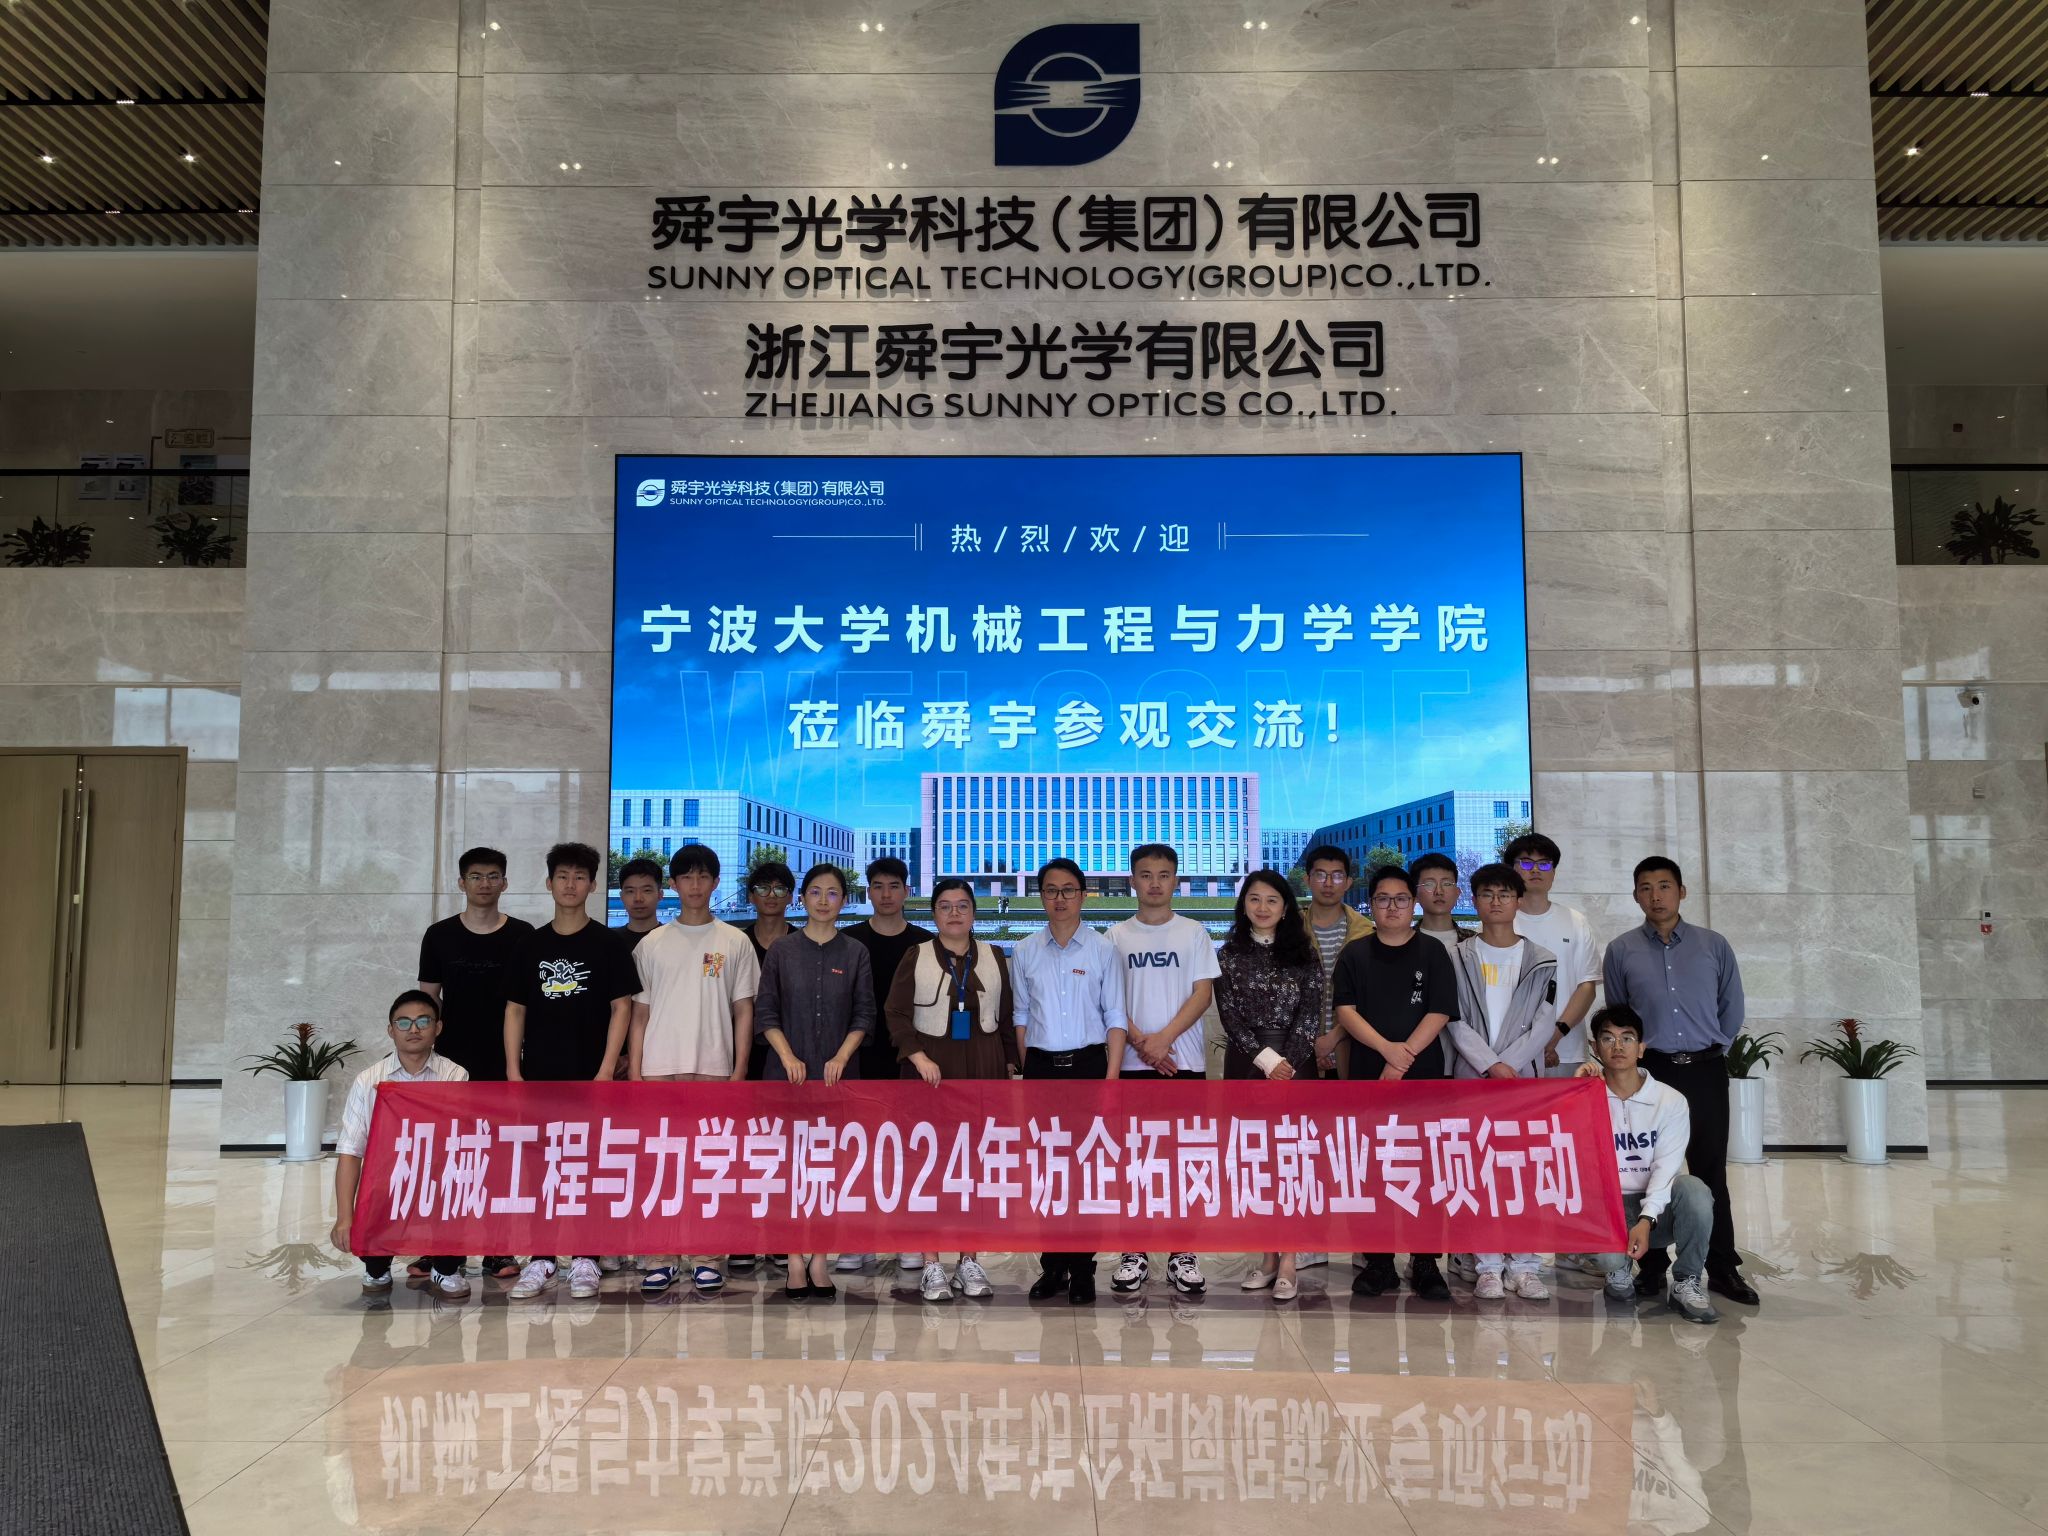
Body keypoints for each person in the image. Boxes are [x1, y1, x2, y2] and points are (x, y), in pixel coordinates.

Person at [1603, 857, 1757, 1307]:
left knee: (1710, 1171)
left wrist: (1713, 1048)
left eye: (1665, 886)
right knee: (1645, 1168)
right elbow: (1621, 1015)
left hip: (1705, 1070)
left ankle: (1722, 1267)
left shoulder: (1713, 945)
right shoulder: (1622, 950)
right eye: (1646, 888)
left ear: (1682, 891)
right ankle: (1651, 1268)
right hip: (1651, 1073)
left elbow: (1732, 1006)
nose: (1656, 896)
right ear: (1636, 896)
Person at [500, 842, 635, 1301]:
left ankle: (586, 1258)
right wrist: (513, 1072)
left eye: (579, 877)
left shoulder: (608, 944)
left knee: (589, 1165)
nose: (571, 884)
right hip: (540, 1076)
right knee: (540, 1167)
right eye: (563, 876)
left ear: (593, 885)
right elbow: (515, 1010)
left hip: (591, 1077)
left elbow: (622, 1008)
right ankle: (540, 1259)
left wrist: (605, 1071)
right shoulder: (529, 945)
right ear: (549, 883)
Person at [629, 844, 760, 1297]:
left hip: (714, 1068)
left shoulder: (734, 941)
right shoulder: (651, 944)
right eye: (686, 877)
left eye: (704, 877)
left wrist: (739, 1070)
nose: (695, 885)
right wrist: (635, 1075)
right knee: (661, 1168)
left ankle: (707, 1257)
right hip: (658, 1070)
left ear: (716, 883)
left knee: (710, 1168)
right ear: (674, 884)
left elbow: (744, 1011)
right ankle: (660, 1258)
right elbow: (639, 1015)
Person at [885, 878, 1021, 1302]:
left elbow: (1006, 1016)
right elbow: (895, 1013)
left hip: (983, 1067)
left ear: (974, 912)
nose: (955, 913)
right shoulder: (917, 955)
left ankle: (969, 1259)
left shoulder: (994, 957)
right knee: (930, 1164)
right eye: (945, 906)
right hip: (930, 1071)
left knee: (974, 1166)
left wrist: (1011, 1066)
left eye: (963, 905)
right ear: (934, 913)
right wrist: (917, 1057)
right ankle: (931, 1262)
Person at [1332, 864, 1456, 1301]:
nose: (1392, 907)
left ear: (1413, 903)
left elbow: (1440, 1010)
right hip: (1369, 1073)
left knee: (1424, 1169)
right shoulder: (1355, 954)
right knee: (1373, 1169)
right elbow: (1345, 1011)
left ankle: (1425, 1262)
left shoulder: (1432, 952)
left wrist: (1402, 1060)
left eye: (1401, 899)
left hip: (1422, 1076)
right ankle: (1379, 1262)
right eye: (1382, 899)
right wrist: (1387, 1050)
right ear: (1371, 905)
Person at [1107, 843, 1220, 1298]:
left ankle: (1182, 1253)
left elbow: (1202, 994)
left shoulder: (1193, 933)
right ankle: (1132, 1252)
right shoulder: (1115, 937)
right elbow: (1111, 1000)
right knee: (1133, 1162)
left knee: (1183, 1161)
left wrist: (1164, 1039)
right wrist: (1143, 1043)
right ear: (1132, 880)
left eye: (1164, 875)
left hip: (1184, 1064)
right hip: (1131, 1065)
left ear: (1176, 880)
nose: (1154, 883)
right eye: (1146, 874)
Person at [1011, 857, 1126, 1306]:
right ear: (1041, 896)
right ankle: (1053, 1265)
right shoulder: (1025, 950)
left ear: (1082, 894)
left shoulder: (1102, 949)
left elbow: (1115, 1015)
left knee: (1086, 1170)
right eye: (1051, 890)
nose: (1059, 898)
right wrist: (1030, 1067)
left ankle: (1082, 1268)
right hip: (1041, 1068)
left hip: (1088, 1066)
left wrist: (1111, 1078)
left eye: (1068, 890)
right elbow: (1021, 1015)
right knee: (1047, 1170)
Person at [757, 863, 874, 1299]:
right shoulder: (782, 951)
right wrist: (787, 1055)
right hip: (785, 1079)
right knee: (789, 1171)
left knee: (827, 1171)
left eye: (833, 893)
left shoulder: (855, 952)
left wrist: (842, 1056)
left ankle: (821, 1258)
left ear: (844, 900)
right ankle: (793, 1259)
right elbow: (766, 1011)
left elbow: (865, 1013)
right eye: (816, 892)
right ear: (802, 898)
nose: (824, 901)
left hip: (837, 1080)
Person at [1443, 862, 1559, 1301]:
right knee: (1478, 1172)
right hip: (1473, 1079)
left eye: (1504, 894)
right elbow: (1452, 1018)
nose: (1496, 902)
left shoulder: (1542, 959)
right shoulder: (1457, 956)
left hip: (1522, 1082)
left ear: (1518, 901)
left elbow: (1545, 1021)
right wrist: (1489, 1064)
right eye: (1487, 894)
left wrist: (1508, 1064)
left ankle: (1525, 1266)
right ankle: (1487, 1265)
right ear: (1475, 901)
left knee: (1523, 1173)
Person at [416, 845, 532, 1280]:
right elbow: (428, 1000)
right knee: (447, 1157)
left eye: (493, 876)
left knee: (499, 1158)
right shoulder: (439, 935)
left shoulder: (523, 935)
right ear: (461, 883)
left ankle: (499, 1249)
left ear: (505, 882)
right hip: (449, 1063)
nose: (485, 884)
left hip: (503, 1062)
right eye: (477, 876)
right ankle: (440, 1247)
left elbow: (527, 1004)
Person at [1216, 870, 1324, 1303]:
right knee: (1256, 1163)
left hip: (1296, 1066)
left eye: (1272, 900)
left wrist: (1286, 1063)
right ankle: (1266, 1258)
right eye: (1254, 899)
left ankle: (1290, 1261)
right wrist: (1266, 1061)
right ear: (1244, 905)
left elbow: (1311, 1015)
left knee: (1291, 1163)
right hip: (1246, 1063)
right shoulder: (1228, 955)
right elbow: (1228, 1015)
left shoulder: (1304, 954)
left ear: (1285, 908)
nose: (1262, 908)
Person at [1575, 1005, 1720, 1324]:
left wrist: (1646, 1218)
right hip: (1607, 1209)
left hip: (1654, 1210)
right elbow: (1571, 1159)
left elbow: (1666, 1168)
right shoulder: (1586, 1097)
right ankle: (1617, 1271)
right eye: (1608, 1038)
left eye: (1627, 1038)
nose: (1618, 1046)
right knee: (1608, 1259)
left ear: (1641, 1048)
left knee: (1694, 1189)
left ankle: (1686, 1281)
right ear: (1595, 1047)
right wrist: (1576, 1093)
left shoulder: (1670, 1101)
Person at [1505, 831, 1606, 1279]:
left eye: (1543, 863)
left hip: (1565, 1054)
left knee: (1565, 1154)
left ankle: (1571, 1247)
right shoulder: (1503, 918)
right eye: (1525, 862)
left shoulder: (1574, 921)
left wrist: (1556, 1033)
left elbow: (1586, 985)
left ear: (1554, 871)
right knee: (1516, 1155)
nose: (1534, 871)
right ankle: (1514, 1246)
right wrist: (1527, 1044)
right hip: (1512, 1059)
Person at [331, 990, 469, 1299]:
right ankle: (376, 1266)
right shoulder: (368, 1080)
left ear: (438, 1027)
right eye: (403, 1022)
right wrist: (344, 1218)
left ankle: (445, 1267)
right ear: (390, 1030)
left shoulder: (455, 1074)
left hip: (436, 1173)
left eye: (423, 1021)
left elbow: (455, 1140)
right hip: (388, 1177)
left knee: (457, 1182)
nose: (413, 1029)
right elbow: (351, 1151)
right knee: (376, 1189)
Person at [843, 855, 934, 1276]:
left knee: (908, 1151)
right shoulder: (849, 940)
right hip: (859, 1057)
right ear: (868, 892)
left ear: (906, 891)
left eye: (894, 886)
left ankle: (907, 1238)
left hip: (909, 1060)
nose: (886, 894)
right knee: (858, 1151)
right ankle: (858, 1239)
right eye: (878, 886)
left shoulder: (923, 944)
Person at [1297, 843, 1372, 1271]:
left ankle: (1363, 1242)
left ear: (1349, 881)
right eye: (1321, 874)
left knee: (1355, 1150)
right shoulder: (1291, 926)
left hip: (1352, 1046)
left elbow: (1372, 997)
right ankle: (1312, 1240)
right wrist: (1311, 1041)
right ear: (1308, 879)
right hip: (1300, 1049)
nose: (1328, 882)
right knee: (1308, 1149)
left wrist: (1335, 1036)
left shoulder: (1365, 929)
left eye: (1337, 875)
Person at [1412, 852, 1471, 955]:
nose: (1439, 891)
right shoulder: (1402, 941)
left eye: (1447, 884)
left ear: (1457, 892)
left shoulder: (1473, 941)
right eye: (1429, 884)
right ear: (1415, 894)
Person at [616, 856, 666, 951]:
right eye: (630, 891)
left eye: (646, 890)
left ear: (660, 895)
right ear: (621, 896)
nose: (638, 898)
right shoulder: (610, 941)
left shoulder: (672, 938)